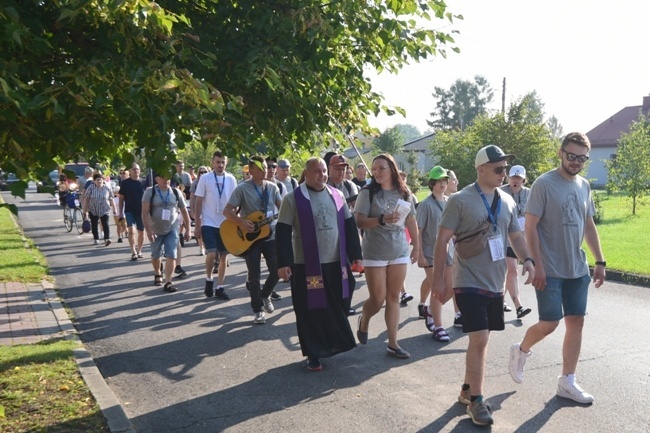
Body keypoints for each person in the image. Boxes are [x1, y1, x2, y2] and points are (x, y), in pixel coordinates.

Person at [431, 144, 534, 426]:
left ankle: (466, 390)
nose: (504, 173)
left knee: (482, 339)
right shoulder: (460, 200)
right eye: (498, 169)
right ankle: (477, 400)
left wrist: (528, 259)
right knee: (480, 339)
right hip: (468, 281)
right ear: (481, 169)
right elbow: (441, 241)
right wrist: (439, 279)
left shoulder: (508, 201)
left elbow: (516, 236)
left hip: (495, 282)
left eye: (505, 168)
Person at [508, 132, 606, 404]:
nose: (576, 162)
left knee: (577, 321)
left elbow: (588, 225)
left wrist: (599, 261)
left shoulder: (584, 185)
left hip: (577, 267)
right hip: (549, 268)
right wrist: (538, 265)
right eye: (571, 155)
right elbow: (530, 227)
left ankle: (567, 381)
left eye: (582, 158)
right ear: (561, 153)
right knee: (550, 323)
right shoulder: (544, 184)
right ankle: (522, 350)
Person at [276, 157, 363, 370]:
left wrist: (356, 255)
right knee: (310, 310)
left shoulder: (337, 195)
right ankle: (313, 353)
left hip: (336, 262)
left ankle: (333, 343)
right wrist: (283, 263)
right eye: (317, 171)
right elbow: (283, 232)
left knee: (342, 300)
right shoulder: (292, 199)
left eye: (324, 171)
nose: (322, 175)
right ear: (306, 174)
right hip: (306, 266)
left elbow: (349, 225)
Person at [354, 153, 420, 359]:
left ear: (392, 169)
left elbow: (411, 221)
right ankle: (364, 319)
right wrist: (381, 219)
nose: (376, 172)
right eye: (374, 169)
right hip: (375, 251)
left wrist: (416, 248)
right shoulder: (367, 193)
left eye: (381, 168)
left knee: (393, 297)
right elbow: (359, 221)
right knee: (377, 299)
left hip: (399, 250)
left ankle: (393, 343)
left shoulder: (405, 192)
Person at [223, 155, 283, 324]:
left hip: (270, 236)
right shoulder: (242, 189)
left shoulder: (273, 187)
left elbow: (283, 209)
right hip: (250, 239)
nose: (266, 171)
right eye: (261, 168)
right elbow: (227, 211)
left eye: (266, 167)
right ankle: (257, 311)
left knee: (277, 269)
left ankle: (265, 295)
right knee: (254, 276)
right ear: (251, 170)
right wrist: (241, 222)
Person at [194, 151, 237, 300]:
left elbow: (235, 201)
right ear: (212, 162)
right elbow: (198, 202)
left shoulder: (231, 179)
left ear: (226, 163)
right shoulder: (205, 178)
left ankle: (220, 286)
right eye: (217, 162)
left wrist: (236, 219)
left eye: (223, 162)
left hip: (226, 223)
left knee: (224, 256)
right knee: (212, 254)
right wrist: (197, 224)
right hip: (209, 222)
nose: (220, 165)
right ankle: (208, 279)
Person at [416, 166, 452, 342]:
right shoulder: (426, 205)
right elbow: (418, 231)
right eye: (439, 181)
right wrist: (419, 253)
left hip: (449, 253)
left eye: (445, 180)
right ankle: (438, 327)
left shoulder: (449, 202)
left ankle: (430, 309)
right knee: (438, 289)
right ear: (431, 184)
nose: (443, 184)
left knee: (452, 287)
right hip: (430, 254)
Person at [142, 170, 191, 292]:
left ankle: (168, 281)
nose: (166, 180)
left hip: (172, 228)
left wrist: (188, 230)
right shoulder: (150, 192)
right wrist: (148, 230)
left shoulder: (175, 192)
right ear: (156, 179)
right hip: (155, 230)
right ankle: (158, 272)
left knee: (171, 254)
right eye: (163, 178)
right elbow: (144, 212)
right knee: (155, 255)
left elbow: (184, 211)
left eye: (168, 178)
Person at [499, 165, 532, 318]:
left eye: (519, 178)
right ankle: (518, 306)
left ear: (524, 180)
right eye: (513, 177)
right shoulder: (500, 192)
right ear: (508, 178)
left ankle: (498, 299)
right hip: (503, 239)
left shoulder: (530, 194)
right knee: (512, 270)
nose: (515, 181)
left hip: (520, 240)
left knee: (508, 272)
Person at [444, 169, 463, 328]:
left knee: (455, 282)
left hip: (456, 248)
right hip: (441, 248)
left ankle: (458, 314)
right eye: (454, 179)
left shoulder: (459, 200)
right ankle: (427, 306)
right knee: (433, 282)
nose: (456, 182)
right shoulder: (444, 201)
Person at [118, 163, 147, 260]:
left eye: (137, 169)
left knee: (141, 232)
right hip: (129, 210)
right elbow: (121, 198)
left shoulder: (144, 182)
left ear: (140, 171)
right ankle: (133, 251)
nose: (135, 171)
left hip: (142, 211)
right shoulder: (125, 183)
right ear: (130, 171)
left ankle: (139, 250)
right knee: (131, 230)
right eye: (133, 169)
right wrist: (120, 212)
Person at [82, 173, 117, 246]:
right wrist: (84, 211)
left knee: (105, 224)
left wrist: (114, 208)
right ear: (94, 181)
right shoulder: (91, 188)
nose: (99, 181)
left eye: (100, 179)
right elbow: (86, 199)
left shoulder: (107, 188)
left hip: (105, 209)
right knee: (94, 224)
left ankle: (107, 239)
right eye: (97, 180)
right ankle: (96, 239)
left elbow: (111, 199)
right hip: (93, 209)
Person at [189, 166, 209, 255]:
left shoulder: (210, 182)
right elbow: (192, 197)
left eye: (205, 172)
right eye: (201, 172)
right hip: (199, 208)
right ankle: (201, 247)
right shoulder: (195, 183)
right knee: (200, 228)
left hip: (208, 209)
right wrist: (192, 210)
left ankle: (206, 245)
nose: (203, 174)